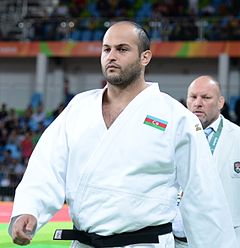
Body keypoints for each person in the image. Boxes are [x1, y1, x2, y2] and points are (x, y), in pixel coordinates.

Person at [8, 21, 237, 248]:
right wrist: (29, 209)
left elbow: (202, 194)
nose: (111, 56)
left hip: (145, 244)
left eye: (122, 49)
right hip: (85, 242)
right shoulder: (79, 107)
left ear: (145, 57)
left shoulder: (175, 116)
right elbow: (47, 165)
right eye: (106, 49)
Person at [173, 75, 240, 248]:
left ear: (220, 102)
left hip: (220, 239)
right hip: (173, 240)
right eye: (193, 97)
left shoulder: (237, 138)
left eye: (206, 97)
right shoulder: (171, 135)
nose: (198, 103)